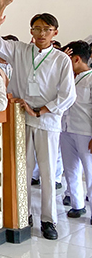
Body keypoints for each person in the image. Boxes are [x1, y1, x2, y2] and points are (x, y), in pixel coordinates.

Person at [0, 0, 76, 240]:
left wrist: (41, 110)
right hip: (21, 118)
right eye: (37, 29)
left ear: (55, 33)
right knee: (22, 170)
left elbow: (68, 95)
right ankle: (23, 214)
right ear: (31, 31)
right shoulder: (20, 50)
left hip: (47, 121)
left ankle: (48, 220)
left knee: (47, 173)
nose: (41, 33)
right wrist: (1, 6)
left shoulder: (61, 59)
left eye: (47, 29)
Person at [59, 41, 92, 220]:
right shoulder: (67, 78)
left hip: (85, 131)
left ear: (77, 59)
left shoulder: (90, 79)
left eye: (67, 59)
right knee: (70, 168)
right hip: (66, 129)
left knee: (90, 172)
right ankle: (77, 205)